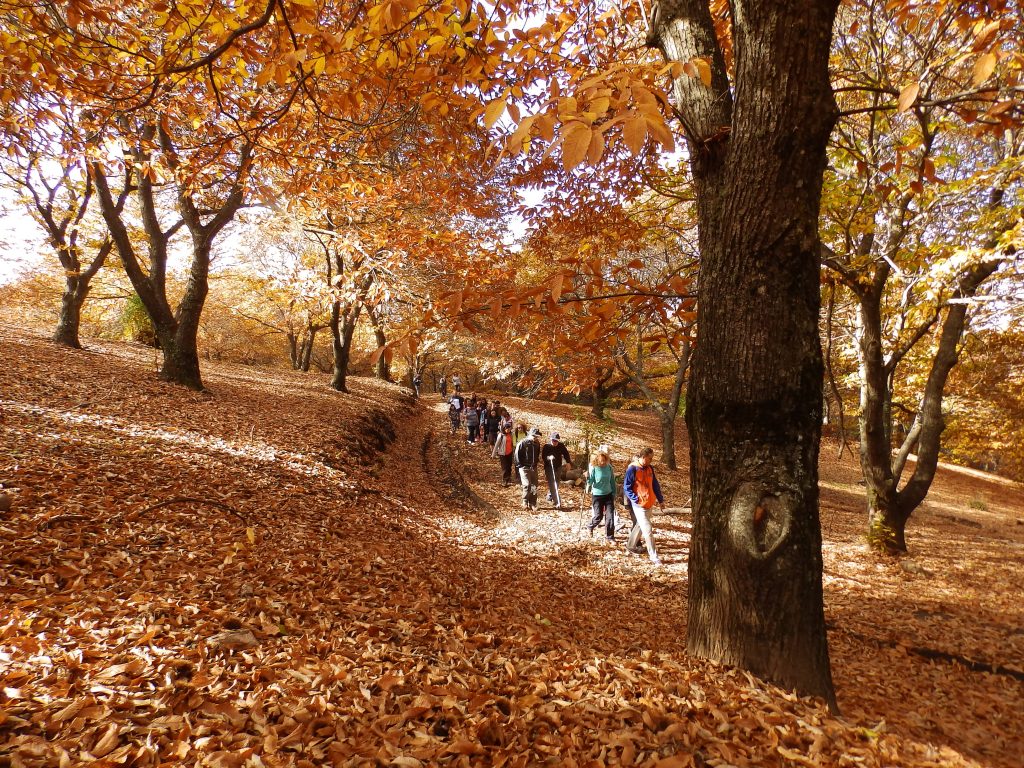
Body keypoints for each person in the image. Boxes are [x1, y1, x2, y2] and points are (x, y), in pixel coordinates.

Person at [623, 447, 664, 566]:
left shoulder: (650, 468)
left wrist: (660, 500)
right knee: (648, 530)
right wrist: (636, 499)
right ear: (643, 457)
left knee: (640, 526)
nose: (651, 460)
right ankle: (654, 557)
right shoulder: (632, 469)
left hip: (649, 503)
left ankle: (630, 545)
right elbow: (627, 487)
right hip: (639, 505)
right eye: (650, 458)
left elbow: (655, 484)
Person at [585, 445, 617, 542]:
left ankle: (610, 536)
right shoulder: (595, 468)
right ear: (597, 460)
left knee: (610, 516)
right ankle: (590, 526)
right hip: (597, 495)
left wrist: (614, 493)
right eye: (601, 461)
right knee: (599, 516)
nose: (603, 462)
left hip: (608, 494)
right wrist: (587, 477)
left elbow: (612, 481)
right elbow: (590, 482)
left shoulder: (609, 468)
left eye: (604, 460)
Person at [541, 433, 573, 505]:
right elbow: (543, 456)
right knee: (552, 483)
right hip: (549, 467)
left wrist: (568, 462)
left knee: (557, 483)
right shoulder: (547, 446)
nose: (555, 442)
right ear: (551, 439)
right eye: (553, 440)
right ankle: (557, 501)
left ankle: (549, 496)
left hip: (558, 466)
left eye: (556, 441)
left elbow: (566, 453)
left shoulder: (561, 445)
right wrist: (548, 458)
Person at [514, 427, 542, 510]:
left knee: (534, 485)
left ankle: (533, 502)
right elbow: (516, 455)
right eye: (533, 436)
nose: (535, 438)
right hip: (524, 467)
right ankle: (525, 501)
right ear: (529, 435)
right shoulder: (523, 443)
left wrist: (535, 462)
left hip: (533, 467)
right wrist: (520, 465)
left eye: (536, 436)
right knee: (527, 484)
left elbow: (537, 454)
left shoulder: (537, 444)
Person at [491, 421, 516, 486]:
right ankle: (504, 481)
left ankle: (509, 478)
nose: (508, 430)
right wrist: (493, 454)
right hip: (502, 453)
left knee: (509, 466)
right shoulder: (501, 435)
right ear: (504, 428)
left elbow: (513, 443)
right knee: (504, 467)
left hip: (510, 452)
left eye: (509, 428)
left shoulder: (511, 434)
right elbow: (496, 445)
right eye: (506, 428)